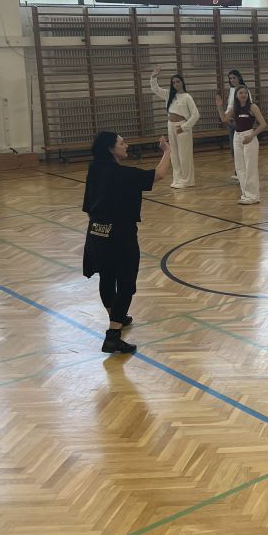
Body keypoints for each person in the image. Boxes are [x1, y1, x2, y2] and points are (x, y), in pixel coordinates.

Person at [83, 132, 172, 354]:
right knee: (125, 283)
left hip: (96, 232)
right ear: (111, 149)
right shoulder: (123, 174)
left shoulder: (94, 168)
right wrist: (168, 151)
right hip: (120, 235)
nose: (127, 145)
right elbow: (159, 174)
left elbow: (88, 204)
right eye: (122, 143)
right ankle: (113, 336)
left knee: (107, 277)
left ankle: (116, 316)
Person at [215, 85, 266, 204]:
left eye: (245, 93)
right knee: (240, 167)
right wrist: (219, 107)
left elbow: (263, 124)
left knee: (250, 168)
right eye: (241, 93)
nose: (243, 95)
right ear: (236, 96)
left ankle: (253, 196)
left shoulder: (252, 107)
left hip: (249, 137)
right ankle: (246, 194)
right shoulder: (234, 108)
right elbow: (224, 119)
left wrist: (252, 136)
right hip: (237, 138)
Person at [150, 66, 200, 188]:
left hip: (182, 127)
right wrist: (154, 76)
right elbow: (155, 89)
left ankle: (187, 180)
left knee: (184, 155)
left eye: (178, 81)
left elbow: (195, 115)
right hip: (171, 126)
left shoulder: (187, 97)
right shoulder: (168, 94)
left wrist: (184, 127)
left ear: (182, 82)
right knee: (174, 154)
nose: (176, 84)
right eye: (173, 82)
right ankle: (177, 178)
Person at [223, 69, 245, 178]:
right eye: (230, 78)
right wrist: (226, 116)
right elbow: (230, 106)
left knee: (240, 148)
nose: (232, 80)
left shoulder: (243, 90)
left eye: (234, 78)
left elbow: (246, 105)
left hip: (239, 121)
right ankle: (238, 171)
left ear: (239, 77)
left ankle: (242, 171)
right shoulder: (232, 90)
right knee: (233, 149)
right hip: (230, 121)